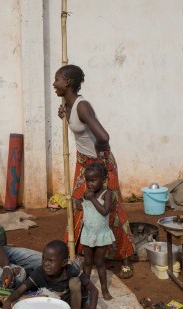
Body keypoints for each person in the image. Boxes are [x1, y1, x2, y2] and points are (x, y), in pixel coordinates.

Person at [54, 64, 136, 279]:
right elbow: (79, 128)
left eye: (57, 80)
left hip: (100, 165)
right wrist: (65, 114)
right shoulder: (70, 105)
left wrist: (100, 156)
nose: (54, 84)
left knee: (111, 209)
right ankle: (82, 252)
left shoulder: (82, 106)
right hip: (84, 163)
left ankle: (125, 258)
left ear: (68, 82)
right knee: (80, 204)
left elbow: (103, 136)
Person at [0, 240, 99, 309]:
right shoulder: (39, 272)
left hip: (72, 305)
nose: (45, 264)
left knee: (75, 282)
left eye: (51, 261)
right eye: (43, 258)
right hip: (56, 306)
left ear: (64, 263)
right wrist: (7, 302)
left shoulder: (71, 271)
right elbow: (19, 291)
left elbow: (94, 291)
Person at [80, 162, 115, 300]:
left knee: (99, 262)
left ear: (104, 180)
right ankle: (85, 288)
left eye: (93, 180)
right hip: (88, 233)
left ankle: (104, 289)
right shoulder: (87, 194)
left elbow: (104, 211)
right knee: (87, 263)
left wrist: (92, 199)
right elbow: (83, 207)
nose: (89, 184)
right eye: (87, 180)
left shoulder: (107, 194)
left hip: (101, 235)